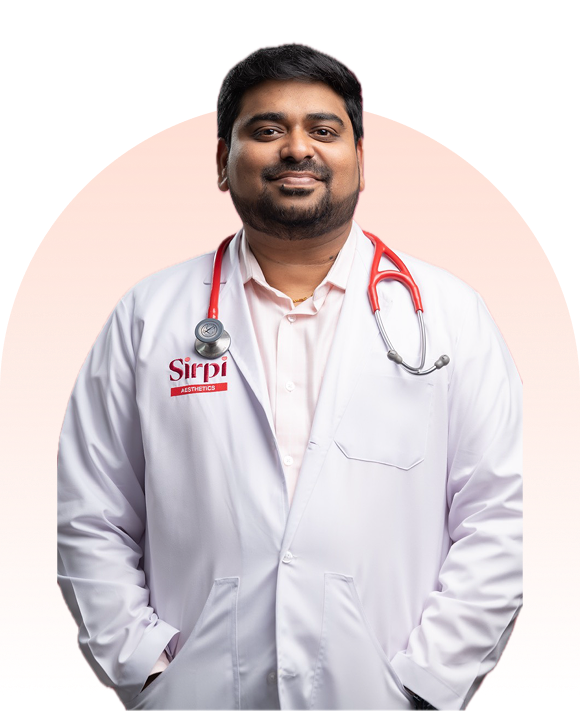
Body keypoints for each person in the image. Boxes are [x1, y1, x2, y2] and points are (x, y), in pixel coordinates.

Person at [57, 42, 523, 711]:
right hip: (199, 696)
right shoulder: (148, 316)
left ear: (360, 159)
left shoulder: (452, 315)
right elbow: (91, 512)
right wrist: (147, 670)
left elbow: (500, 517)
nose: (297, 148)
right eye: (268, 129)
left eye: (324, 130)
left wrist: (426, 685)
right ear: (223, 161)